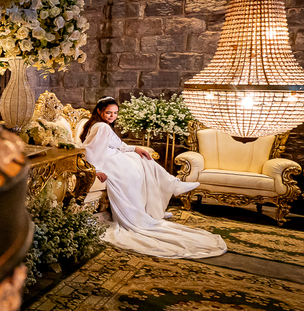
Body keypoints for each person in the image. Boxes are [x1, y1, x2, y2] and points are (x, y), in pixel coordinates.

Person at [81, 97, 226, 259]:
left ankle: (170, 189)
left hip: (113, 156)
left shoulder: (101, 125)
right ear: (99, 111)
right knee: (140, 163)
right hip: (109, 161)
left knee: (142, 158)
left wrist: (134, 148)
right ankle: (172, 186)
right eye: (108, 112)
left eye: (115, 113)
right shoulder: (102, 126)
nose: (112, 116)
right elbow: (91, 150)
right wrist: (96, 169)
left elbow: (117, 145)